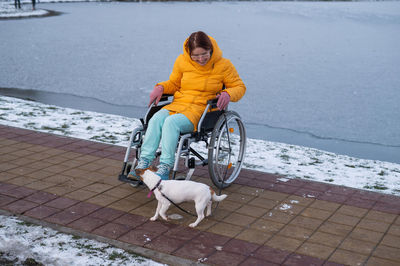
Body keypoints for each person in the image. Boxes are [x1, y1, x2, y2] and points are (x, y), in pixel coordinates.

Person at [129, 31, 246, 183]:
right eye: (195, 55)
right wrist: (162, 88)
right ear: (189, 53)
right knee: (156, 119)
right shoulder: (182, 61)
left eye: (204, 54)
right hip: (179, 104)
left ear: (211, 49)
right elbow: (175, 83)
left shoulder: (224, 65)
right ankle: (143, 163)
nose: (201, 59)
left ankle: (165, 167)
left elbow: (239, 87)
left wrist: (228, 93)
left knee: (171, 123)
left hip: (202, 111)